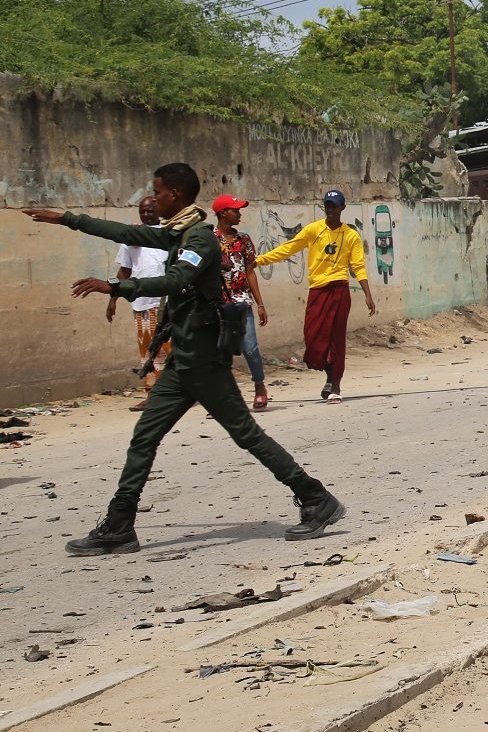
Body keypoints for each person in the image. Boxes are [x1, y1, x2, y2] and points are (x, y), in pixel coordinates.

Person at [23, 163, 344, 555]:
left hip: (205, 361)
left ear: (173, 194)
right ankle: (120, 526)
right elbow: (126, 233)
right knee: (144, 436)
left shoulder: (200, 240)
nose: (153, 198)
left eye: (157, 192)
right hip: (182, 362)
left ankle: (315, 498)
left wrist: (114, 286)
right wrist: (68, 219)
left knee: (247, 434)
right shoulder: (178, 233)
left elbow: (175, 282)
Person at [256, 189, 376, 403]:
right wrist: (260, 260)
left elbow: (358, 265)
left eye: (334, 206)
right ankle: (329, 375)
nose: (330, 210)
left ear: (342, 208)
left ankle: (335, 384)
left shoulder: (350, 236)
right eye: (327, 205)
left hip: (339, 290)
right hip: (318, 290)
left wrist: (367, 294)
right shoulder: (313, 230)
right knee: (314, 338)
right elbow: (289, 248)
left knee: (336, 339)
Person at [108, 196, 171, 411]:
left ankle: (175, 393)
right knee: (148, 351)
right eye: (142, 211)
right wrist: (113, 298)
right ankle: (152, 394)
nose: (146, 215)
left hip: (167, 303)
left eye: (150, 210)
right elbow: (124, 271)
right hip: (142, 303)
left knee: (170, 349)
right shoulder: (132, 238)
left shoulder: (168, 233)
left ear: (159, 210)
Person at [211, 195, 270, 411]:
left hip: (242, 302)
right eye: (235, 210)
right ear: (222, 213)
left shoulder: (243, 239)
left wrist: (260, 303)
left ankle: (259, 386)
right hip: (218, 304)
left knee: (250, 348)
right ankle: (223, 399)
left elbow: (250, 272)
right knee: (219, 351)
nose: (239, 214)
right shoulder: (209, 239)